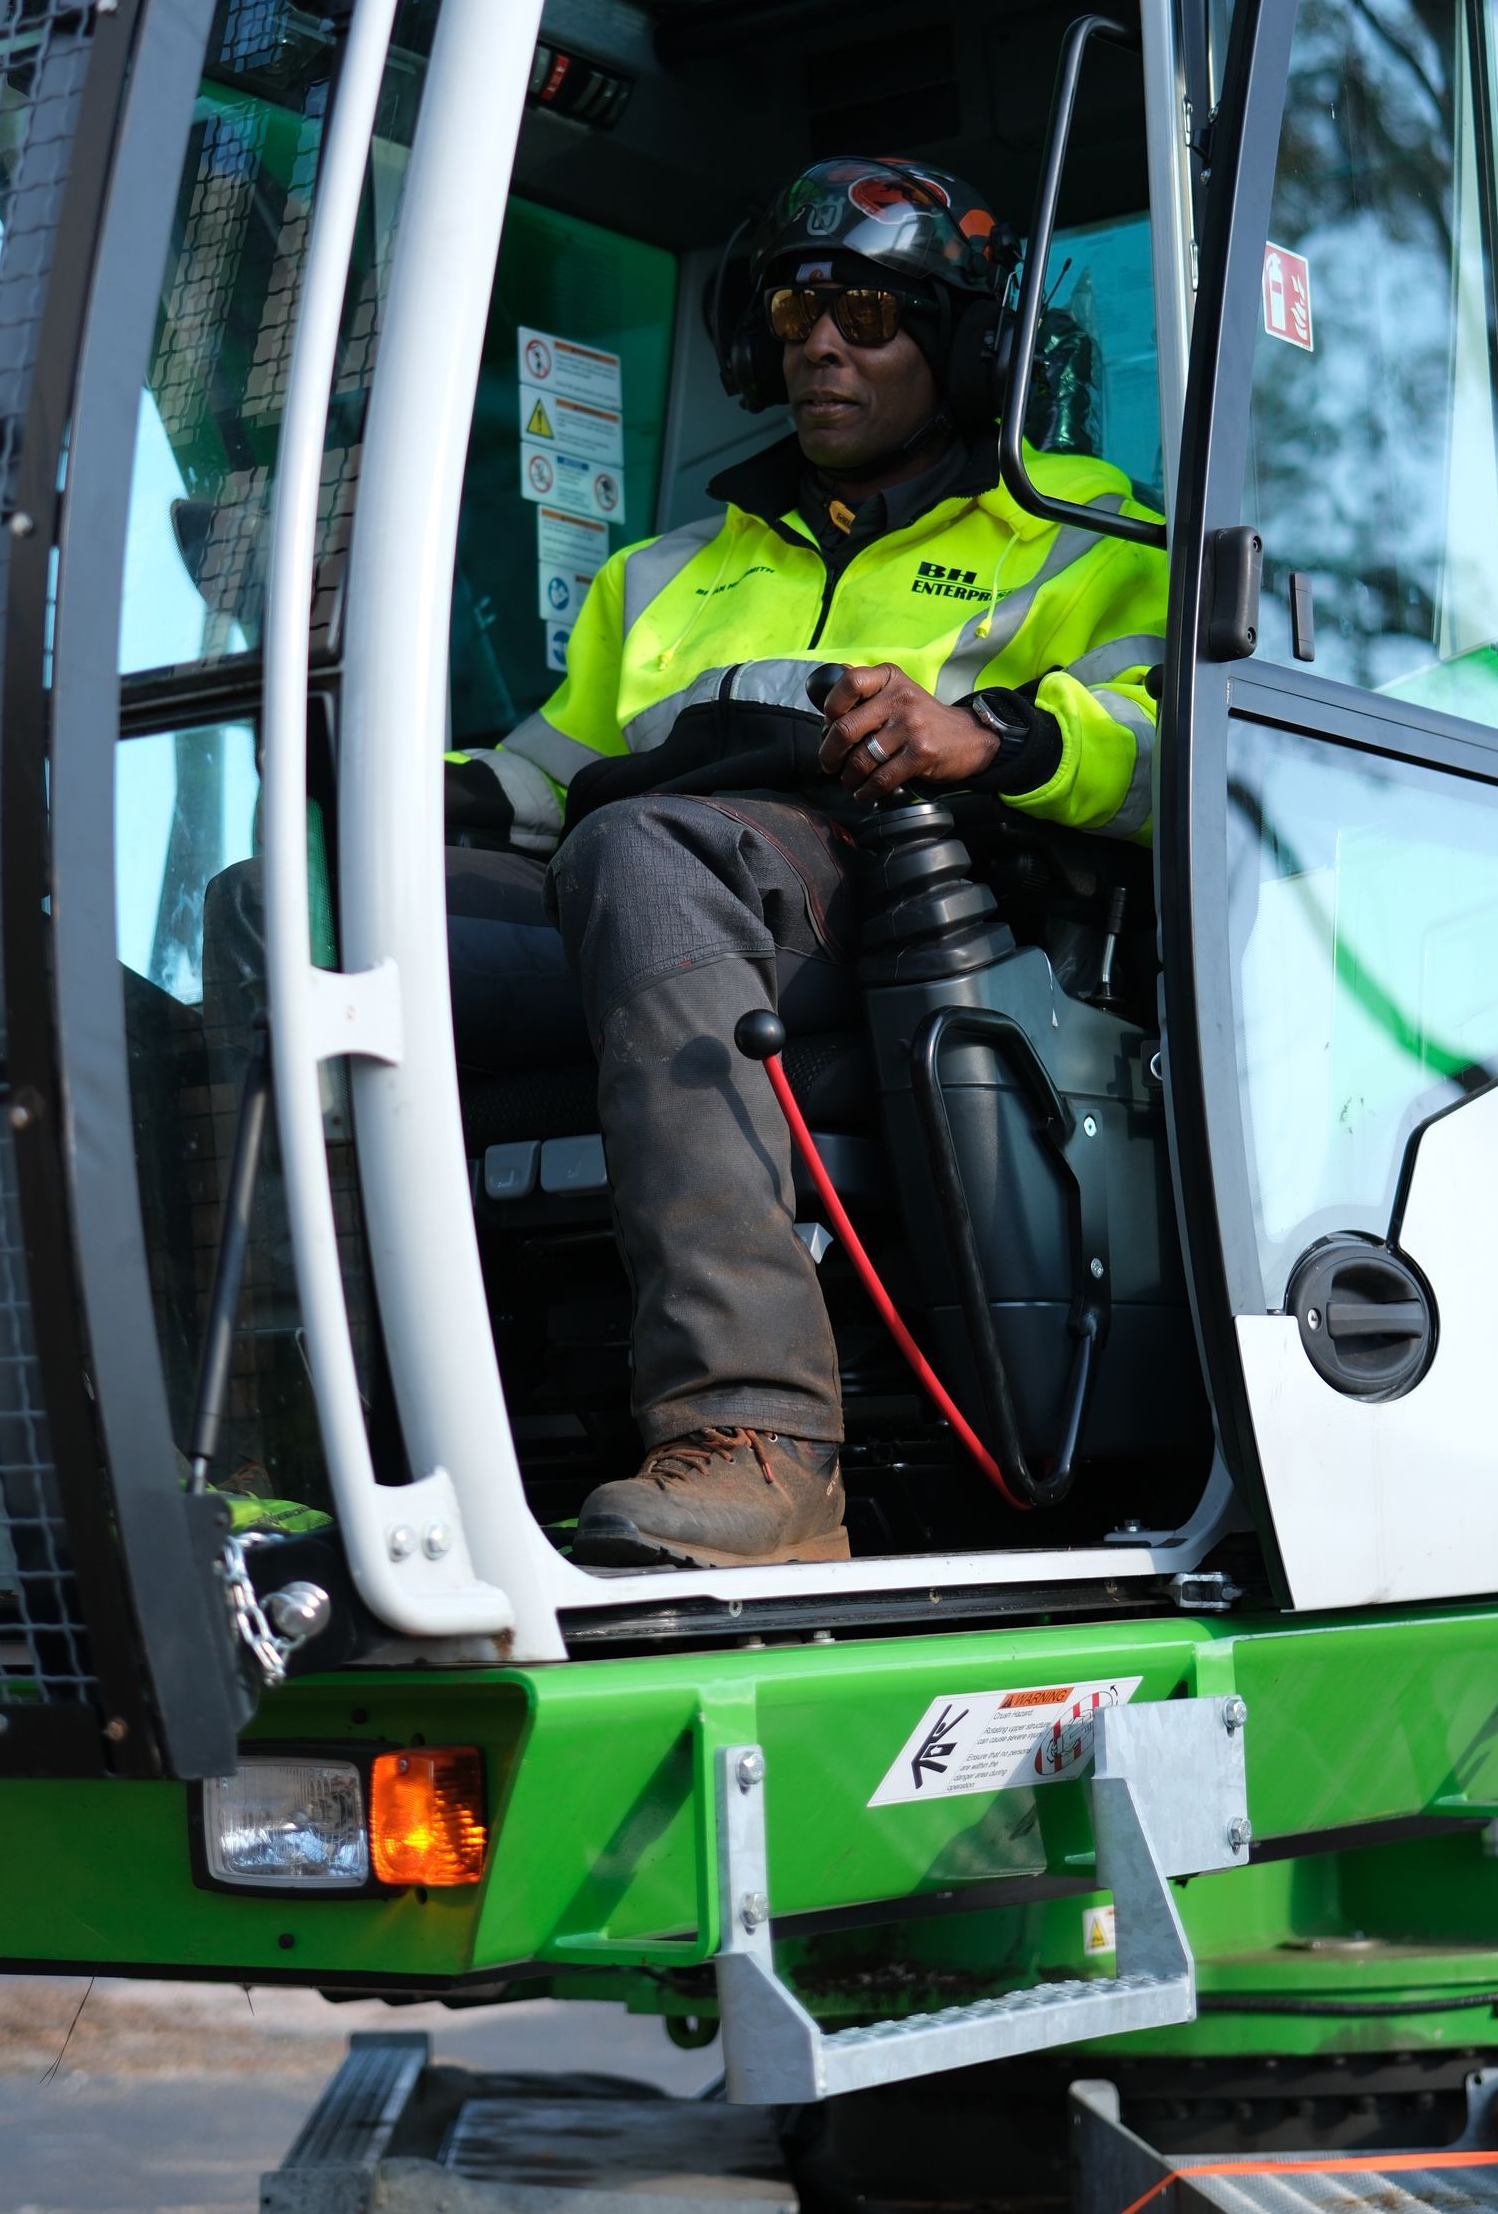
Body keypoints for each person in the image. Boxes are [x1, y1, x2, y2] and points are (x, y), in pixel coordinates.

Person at [443, 155, 1169, 1571]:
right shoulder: (660, 572)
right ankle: (288, 1422)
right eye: (794, 317)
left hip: (898, 897)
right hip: (649, 890)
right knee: (288, 915)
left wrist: (991, 738)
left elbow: (1169, 747)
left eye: (870, 317)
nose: (821, 344)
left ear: (960, 348)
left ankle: (765, 1441)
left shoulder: (1084, 524)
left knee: (642, 850)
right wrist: (416, 793)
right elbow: (541, 777)